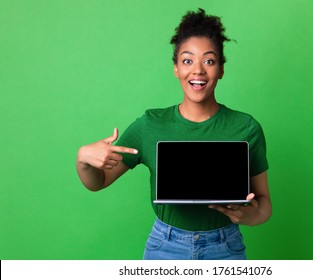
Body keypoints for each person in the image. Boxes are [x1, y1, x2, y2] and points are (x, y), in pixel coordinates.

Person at [76, 8, 271, 260]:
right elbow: (98, 181)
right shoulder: (150, 125)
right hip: (166, 247)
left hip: (225, 247)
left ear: (221, 69)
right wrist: (83, 160)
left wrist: (252, 215)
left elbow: (264, 203)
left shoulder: (246, 127)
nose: (198, 70)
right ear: (176, 68)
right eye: (187, 60)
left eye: (209, 61)